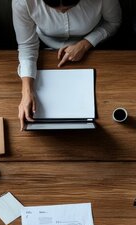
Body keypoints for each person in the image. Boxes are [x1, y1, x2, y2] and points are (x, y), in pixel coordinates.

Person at [12, 0, 122, 130]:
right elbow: (27, 45)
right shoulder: (23, 2)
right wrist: (26, 92)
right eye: (53, 6)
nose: (62, 11)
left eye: (70, 6)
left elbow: (113, 22)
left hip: (93, 50)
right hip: (46, 51)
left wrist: (86, 44)